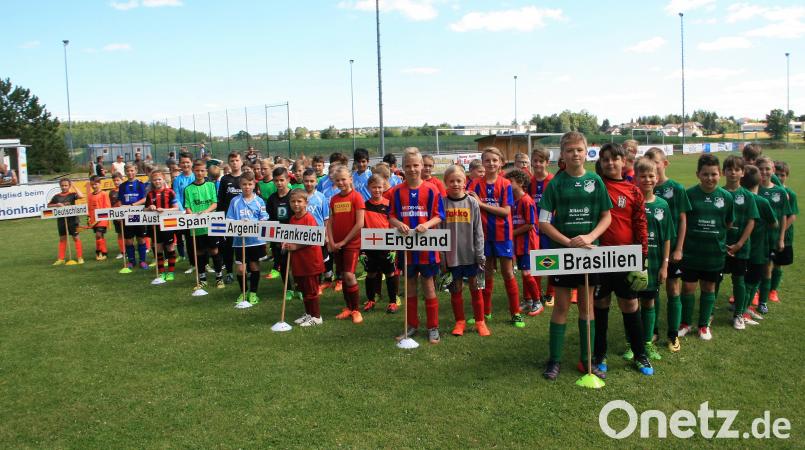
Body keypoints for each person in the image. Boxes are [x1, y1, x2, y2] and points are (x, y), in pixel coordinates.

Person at [538, 131, 612, 381]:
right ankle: (554, 360)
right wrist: (568, 242)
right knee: (560, 306)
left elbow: (606, 216)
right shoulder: (556, 183)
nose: (575, 154)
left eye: (579, 149)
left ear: (586, 151)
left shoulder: (596, 181)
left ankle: (586, 359)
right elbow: (543, 222)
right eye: (570, 150)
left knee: (586, 306)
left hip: (589, 253)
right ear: (562, 154)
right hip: (564, 253)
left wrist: (590, 237)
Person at [591, 143, 652, 377]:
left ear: (624, 161)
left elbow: (640, 224)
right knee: (600, 305)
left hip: (626, 257)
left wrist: (642, 258)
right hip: (598, 258)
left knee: (630, 305)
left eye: (615, 158)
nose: (610, 163)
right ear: (601, 162)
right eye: (605, 159)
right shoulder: (595, 187)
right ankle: (599, 355)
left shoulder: (633, 191)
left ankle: (640, 354)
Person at [389, 148, 445, 344]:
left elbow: (439, 215)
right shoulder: (396, 191)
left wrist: (426, 225)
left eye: (415, 165)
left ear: (422, 166)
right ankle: (412, 325)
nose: (412, 169)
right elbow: (391, 215)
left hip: (427, 247)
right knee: (410, 285)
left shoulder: (432, 189)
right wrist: (398, 224)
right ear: (402, 167)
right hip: (406, 248)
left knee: (428, 285)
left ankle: (433, 327)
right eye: (408, 166)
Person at [679, 154, 734, 342]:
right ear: (698, 174)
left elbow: (728, 222)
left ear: (720, 174)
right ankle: (685, 323)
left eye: (713, 174)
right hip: (692, 252)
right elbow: (683, 221)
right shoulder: (689, 194)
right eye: (705, 174)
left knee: (709, 288)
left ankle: (703, 325)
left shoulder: (727, 197)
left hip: (714, 254)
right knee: (688, 287)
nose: (710, 178)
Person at [468, 147, 524, 328]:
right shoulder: (475, 184)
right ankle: (485, 312)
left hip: (502, 234)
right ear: (482, 163)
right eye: (487, 160)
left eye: (494, 160)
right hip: (482, 235)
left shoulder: (505, 184)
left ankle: (515, 313)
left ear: (501, 163)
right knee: (485, 273)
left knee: (507, 273)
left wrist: (481, 204)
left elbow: (505, 211)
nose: (491, 163)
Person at [644, 147, 690, 352]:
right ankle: (653, 331)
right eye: (649, 162)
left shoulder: (676, 188)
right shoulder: (644, 187)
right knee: (652, 290)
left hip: (670, 249)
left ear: (665, 163)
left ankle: (673, 334)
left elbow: (682, 220)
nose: (652, 167)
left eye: (655, 162)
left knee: (673, 288)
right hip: (651, 251)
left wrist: (678, 248)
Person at [634, 157, 674, 353]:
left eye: (651, 176)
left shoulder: (663, 205)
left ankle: (648, 342)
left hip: (655, 262)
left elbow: (666, 237)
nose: (647, 180)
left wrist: (665, 265)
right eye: (643, 176)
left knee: (649, 302)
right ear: (636, 178)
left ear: (657, 178)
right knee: (632, 303)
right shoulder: (631, 203)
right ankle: (633, 344)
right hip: (633, 262)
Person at [442, 164, 488, 336]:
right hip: (452, 256)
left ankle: (480, 321)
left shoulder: (472, 203)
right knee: (456, 289)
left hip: (472, 255)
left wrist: (480, 254)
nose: (455, 184)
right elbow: (439, 232)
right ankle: (459, 322)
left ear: (464, 182)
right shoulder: (442, 203)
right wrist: (442, 257)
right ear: (446, 182)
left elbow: (478, 231)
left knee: (476, 288)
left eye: (459, 180)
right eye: (451, 181)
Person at [719, 156, 758, 330]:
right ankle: (708, 314)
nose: (733, 172)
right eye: (729, 169)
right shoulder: (718, 193)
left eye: (737, 169)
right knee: (715, 280)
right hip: (720, 246)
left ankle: (739, 315)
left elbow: (751, 221)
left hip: (740, 248)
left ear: (742, 173)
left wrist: (740, 244)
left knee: (739, 280)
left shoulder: (748, 196)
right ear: (723, 172)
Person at [327, 165, 365, 324]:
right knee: (342, 275)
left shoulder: (357, 197)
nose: (341, 183)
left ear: (350, 179)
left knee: (349, 275)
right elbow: (330, 222)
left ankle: (356, 310)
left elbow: (360, 223)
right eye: (338, 180)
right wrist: (331, 241)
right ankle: (348, 308)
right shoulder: (334, 199)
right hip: (337, 244)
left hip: (352, 243)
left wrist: (344, 241)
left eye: (343, 179)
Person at [226, 171, 269, 307]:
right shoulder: (235, 201)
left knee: (254, 266)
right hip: (240, 241)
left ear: (254, 185)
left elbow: (264, 217)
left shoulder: (259, 201)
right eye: (244, 184)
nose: (247, 187)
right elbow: (229, 219)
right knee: (240, 269)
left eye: (250, 184)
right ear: (240, 185)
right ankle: (243, 292)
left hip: (255, 241)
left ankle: (253, 293)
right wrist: (239, 224)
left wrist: (254, 223)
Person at [741, 165, 777, 324]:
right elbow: (774, 223)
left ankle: (743, 308)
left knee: (742, 281)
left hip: (740, 247)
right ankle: (743, 311)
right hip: (758, 249)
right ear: (760, 180)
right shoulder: (762, 201)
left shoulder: (738, 198)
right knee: (753, 281)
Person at [505, 169, 544, 316]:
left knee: (528, 273)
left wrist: (511, 234)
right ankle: (528, 300)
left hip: (528, 243)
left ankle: (537, 302)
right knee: (524, 272)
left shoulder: (527, 201)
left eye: (510, 182)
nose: (507, 185)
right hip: (519, 244)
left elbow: (530, 224)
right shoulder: (512, 201)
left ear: (520, 183)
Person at [755, 156, 790, 314]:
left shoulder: (780, 191)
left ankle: (763, 301)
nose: (764, 172)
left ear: (773, 170)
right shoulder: (753, 189)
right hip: (754, 237)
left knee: (767, 268)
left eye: (767, 169)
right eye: (760, 169)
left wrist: (781, 238)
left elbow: (783, 216)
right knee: (751, 269)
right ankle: (749, 298)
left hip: (770, 238)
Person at [361, 174, 399, 314]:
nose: (377, 190)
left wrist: (393, 248)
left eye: (379, 187)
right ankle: (371, 300)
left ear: (384, 187)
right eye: (374, 187)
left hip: (386, 246)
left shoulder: (389, 205)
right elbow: (362, 228)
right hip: (370, 245)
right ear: (368, 188)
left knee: (390, 273)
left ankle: (393, 302)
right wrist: (362, 251)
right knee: (370, 273)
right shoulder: (364, 206)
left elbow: (393, 227)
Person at [286, 188, 326, 326]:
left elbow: (312, 239)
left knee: (311, 290)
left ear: (306, 203)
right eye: (293, 201)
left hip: (310, 261)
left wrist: (295, 246)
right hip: (299, 261)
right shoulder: (292, 219)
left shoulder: (309, 218)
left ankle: (316, 317)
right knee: (303, 289)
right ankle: (308, 313)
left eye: (299, 201)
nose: (296, 204)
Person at [184, 159, 224, 288]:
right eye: (197, 170)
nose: (199, 173)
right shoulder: (188, 189)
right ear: (193, 171)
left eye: (202, 170)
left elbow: (215, 204)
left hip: (212, 225)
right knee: (199, 252)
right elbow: (187, 207)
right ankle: (202, 279)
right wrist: (193, 216)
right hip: (197, 227)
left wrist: (206, 212)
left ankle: (219, 278)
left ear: (206, 171)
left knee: (214, 250)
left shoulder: (211, 186)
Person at [529, 145, 555, 306]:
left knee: (550, 260)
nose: (537, 164)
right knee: (535, 261)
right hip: (533, 229)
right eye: (535, 161)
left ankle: (550, 293)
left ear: (547, 162)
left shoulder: (553, 181)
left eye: (541, 161)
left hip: (550, 228)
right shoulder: (529, 182)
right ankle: (536, 293)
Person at [145, 170, 179, 281]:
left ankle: (171, 272)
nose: (157, 181)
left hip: (168, 223)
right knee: (158, 248)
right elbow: (144, 209)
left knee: (170, 247)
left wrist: (164, 210)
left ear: (164, 179)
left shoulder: (170, 192)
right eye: (155, 180)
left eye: (159, 179)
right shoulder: (150, 194)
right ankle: (161, 272)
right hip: (155, 225)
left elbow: (176, 208)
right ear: (152, 181)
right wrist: (149, 208)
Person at [770, 161, 797, 303]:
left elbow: (792, 216)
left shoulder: (790, 194)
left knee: (778, 264)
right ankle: (760, 290)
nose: (779, 177)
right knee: (765, 263)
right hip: (768, 235)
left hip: (784, 236)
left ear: (787, 176)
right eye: (777, 174)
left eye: (783, 175)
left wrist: (780, 230)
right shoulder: (769, 191)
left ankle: (773, 291)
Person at [217, 152, 244, 284]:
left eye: (237, 160)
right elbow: (221, 200)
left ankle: (245, 270)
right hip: (228, 220)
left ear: (241, 162)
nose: (234, 163)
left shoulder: (246, 178)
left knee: (243, 246)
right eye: (232, 161)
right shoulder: (224, 179)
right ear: (229, 163)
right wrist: (221, 219)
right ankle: (229, 272)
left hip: (243, 219)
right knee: (228, 247)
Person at [266, 167, 294, 289]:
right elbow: (270, 218)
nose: (279, 183)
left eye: (282, 180)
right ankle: (288, 289)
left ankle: (299, 287)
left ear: (288, 180)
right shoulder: (272, 199)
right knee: (282, 264)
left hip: (294, 235)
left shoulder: (293, 196)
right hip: (278, 237)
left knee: (295, 264)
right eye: (276, 180)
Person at [48, 178, 85, 265]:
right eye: (62, 185)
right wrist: (56, 205)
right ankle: (61, 259)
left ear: (69, 186)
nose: (64, 187)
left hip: (73, 220)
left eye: (66, 185)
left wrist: (74, 185)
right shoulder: (56, 196)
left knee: (76, 237)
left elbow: (81, 196)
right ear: (60, 186)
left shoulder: (72, 194)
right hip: (61, 220)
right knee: (62, 238)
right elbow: (48, 205)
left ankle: (80, 257)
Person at [120, 163, 149, 269]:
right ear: (125, 172)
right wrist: (121, 211)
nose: (130, 173)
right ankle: (131, 261)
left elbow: (144, 199)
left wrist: (132, 205)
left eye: (132, 170)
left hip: (139, 215)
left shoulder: (140, 184)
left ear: (136, 171)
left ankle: (142, 261)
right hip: (127, 216)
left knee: (141, 238)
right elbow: (120, 201)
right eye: (128, 171)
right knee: (128, 240)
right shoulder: (122, 186)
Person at [173, 152, 196, 271]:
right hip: (185, 214)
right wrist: (183, 211)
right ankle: (193, 264)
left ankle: (205, 264)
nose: (185, 164)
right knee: (189, 240)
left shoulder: (197, 176)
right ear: (180, 164)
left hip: (198, 213)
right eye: (183, 162)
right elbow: (176, 196)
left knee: (202, 239)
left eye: (187, 162)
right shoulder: (177, 180)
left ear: (192, 163)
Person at [86, 175, 111, 261]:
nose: (94, 186)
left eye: (95, 184)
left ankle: (99, 251)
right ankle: (104, 252)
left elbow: (107, 207)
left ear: (100, 184)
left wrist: (101, 218)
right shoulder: (90, 195)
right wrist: (89, 218)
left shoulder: (104, 194)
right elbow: (89, 208)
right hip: (93, 220)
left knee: (98, 235)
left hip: (102, 219)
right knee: (100, 236)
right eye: (92, 184)